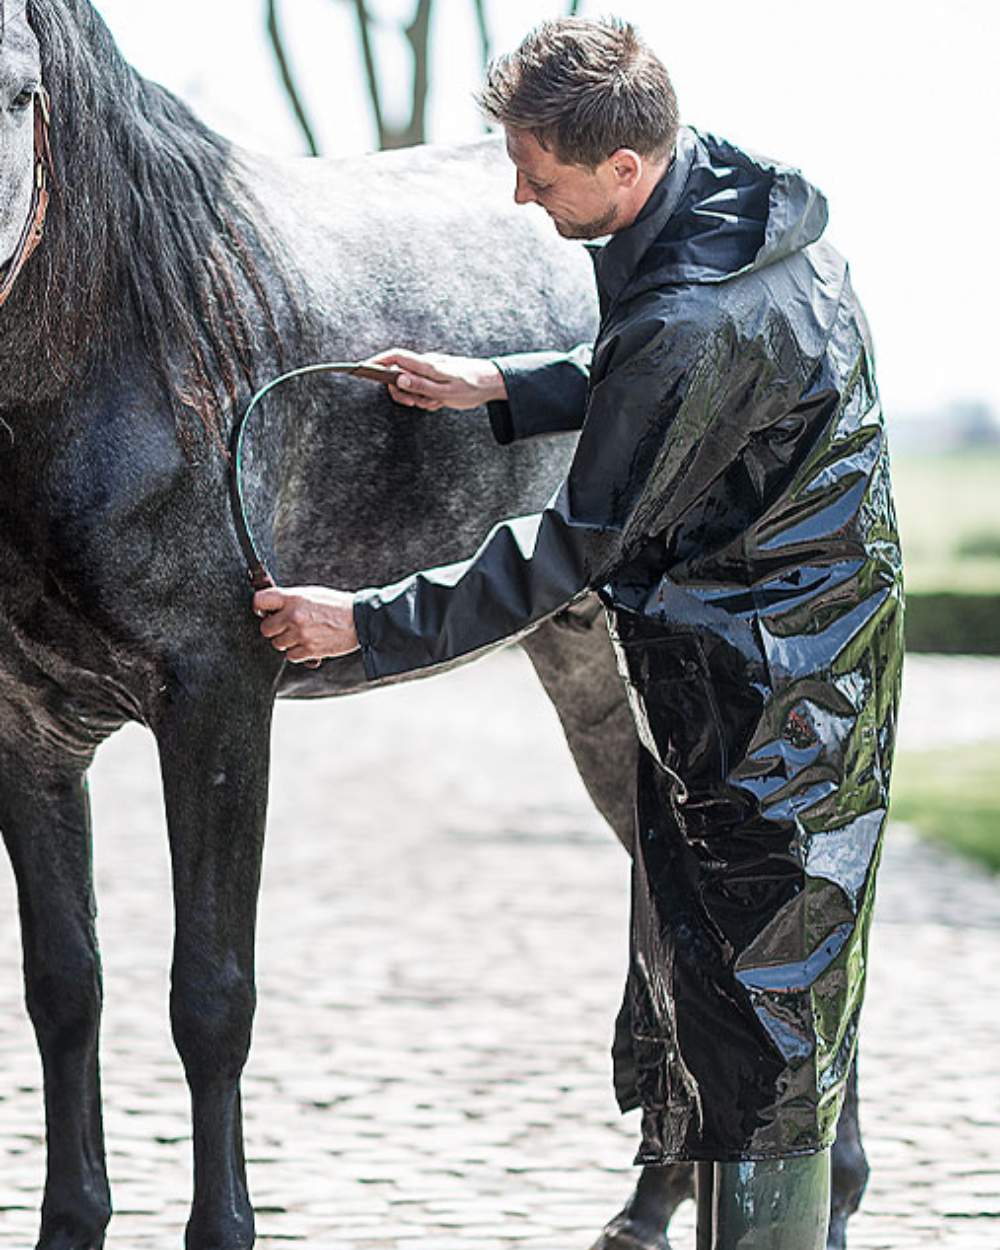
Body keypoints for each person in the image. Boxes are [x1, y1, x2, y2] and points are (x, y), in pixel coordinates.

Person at [253, 17, 903, 1248]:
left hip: (757, 689)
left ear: (623, 167)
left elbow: (571, 550)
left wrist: (365, 627)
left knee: (756, 1027)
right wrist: (505, 383)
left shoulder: (687, 320)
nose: (516, 191)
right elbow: (678, 386)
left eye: (537, 173)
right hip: (805, 646)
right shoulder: (739, 216)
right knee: (750, 997)